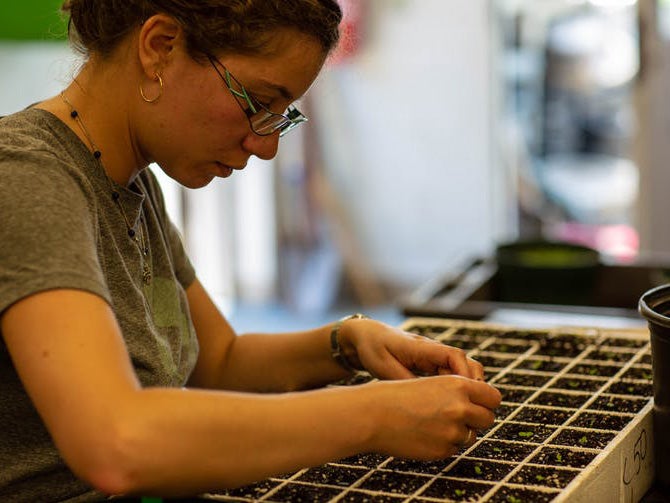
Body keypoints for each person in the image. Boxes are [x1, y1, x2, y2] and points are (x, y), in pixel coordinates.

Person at [0, 1, 502, 501]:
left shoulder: (132, 185)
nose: (266, 147)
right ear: (160, 47)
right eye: (257, 102)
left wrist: (347, 342)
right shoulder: (26, 178)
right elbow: (117, 441)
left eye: (280, 118)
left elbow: (218, 361)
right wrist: (376, 415)